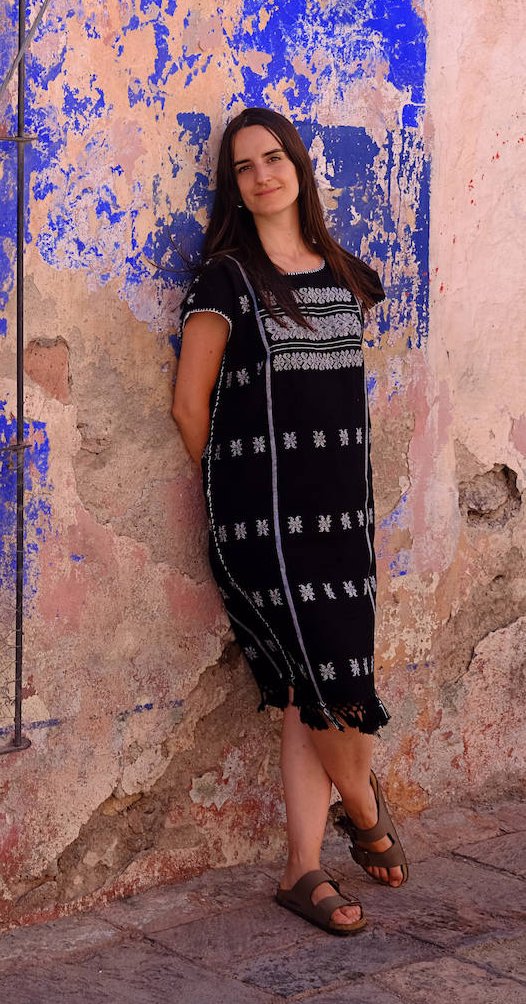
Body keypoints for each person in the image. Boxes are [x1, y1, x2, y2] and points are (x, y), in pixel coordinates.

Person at [171, 106, 408, 936]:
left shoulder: (343, 273)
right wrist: (239, 492)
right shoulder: (227, 280)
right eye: (245, 166)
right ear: (233, 188)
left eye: (275, 158)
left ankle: (301, 870)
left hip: (345, 522)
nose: (264, 173)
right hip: (267, 526)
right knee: (336, 689)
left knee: (311, 694)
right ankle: (366, 808)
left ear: (299, 168)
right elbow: (188, 403)